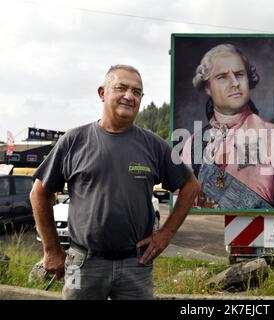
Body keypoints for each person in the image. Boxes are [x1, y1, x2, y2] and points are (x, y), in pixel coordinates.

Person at [30, 64, 200, 300]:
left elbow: (191, 186)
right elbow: (39, 193)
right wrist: (51, 250)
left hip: (136, 264)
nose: (130, 96)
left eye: (137, 92)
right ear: (102, 93)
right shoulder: (74, 141)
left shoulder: (153, 145)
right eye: (121, 88)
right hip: (81, 263)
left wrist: (165, 234)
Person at [180, 44, 274, 209]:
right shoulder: (193, 144)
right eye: (222, 77)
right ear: (207, 87)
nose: (235, 83)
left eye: (239, 74)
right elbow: (179, 201)